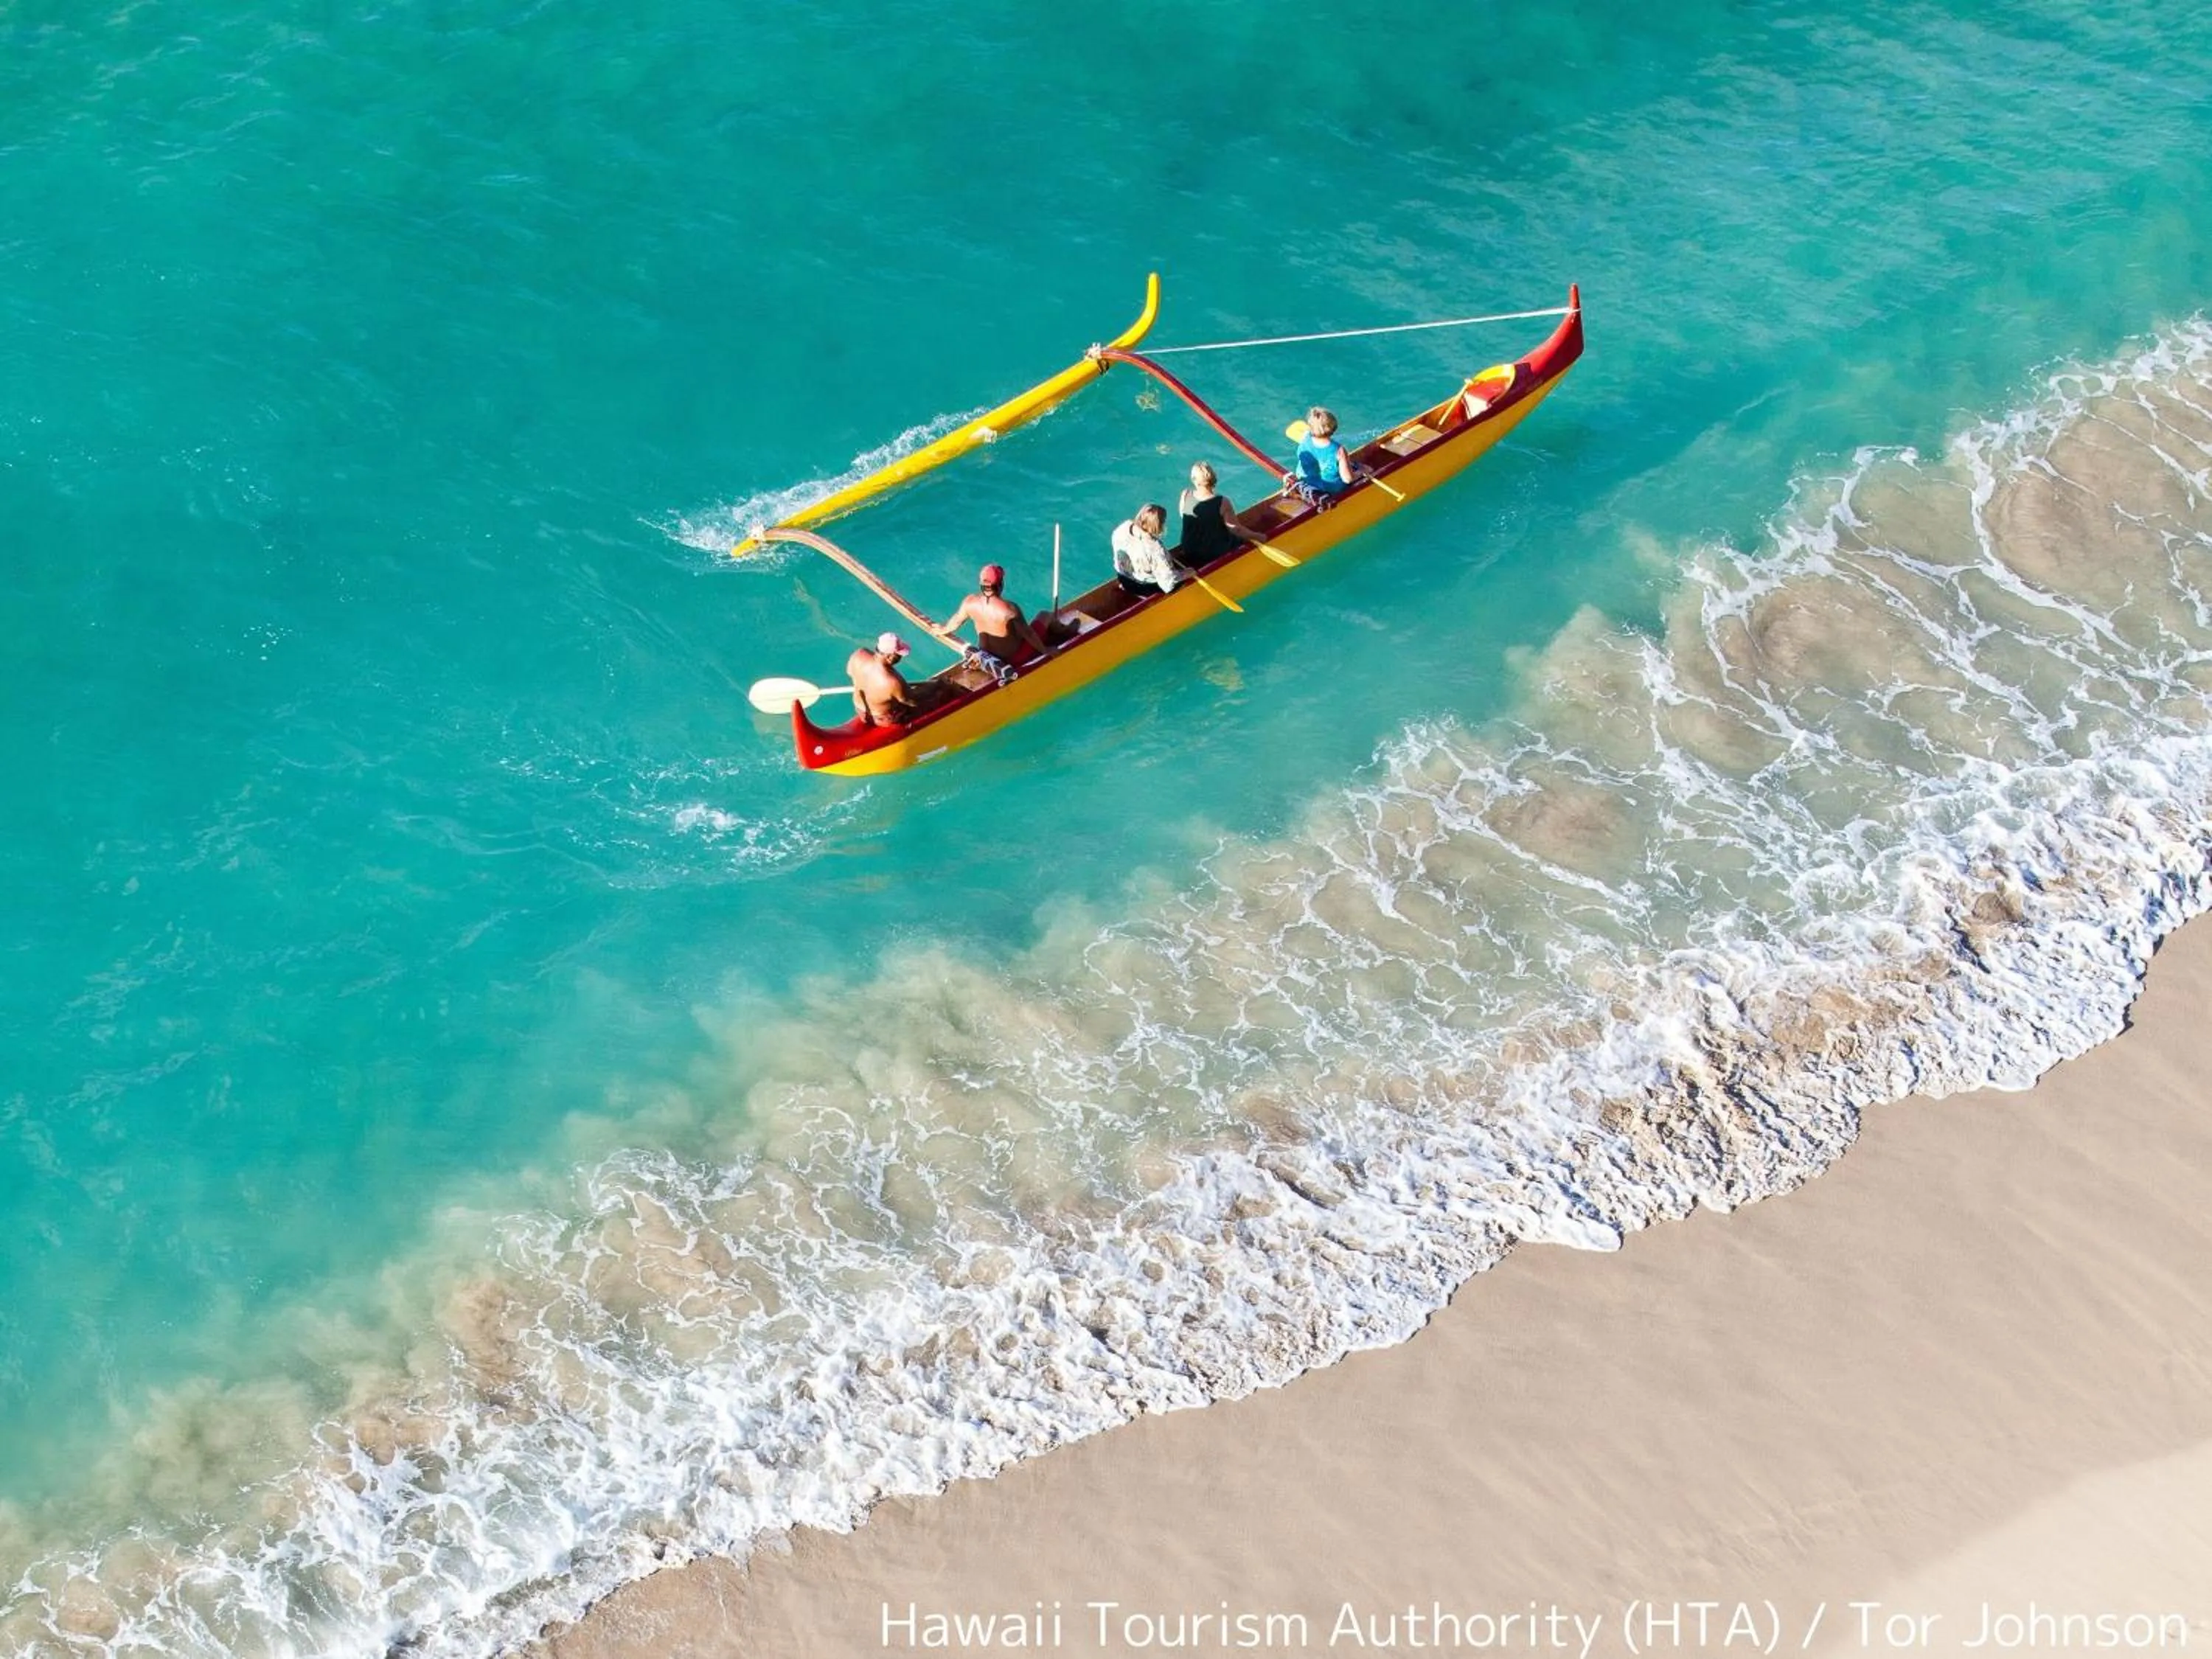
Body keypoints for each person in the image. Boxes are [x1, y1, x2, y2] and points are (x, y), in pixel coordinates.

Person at [942, 563, 1048, 665]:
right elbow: (1029, 634)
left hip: (987, 656)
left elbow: (956, 621)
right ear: (1001, 585)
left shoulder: (969, 603)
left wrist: (942, 630)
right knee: (1045, 615)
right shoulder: (1009, 609)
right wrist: (1046, 652)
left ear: (981, 584)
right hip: (1012, 659)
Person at [1175, 462, 1264, 566]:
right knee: (1238, 539)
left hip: (1189, 551)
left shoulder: (1185, 494)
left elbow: (1183, 515)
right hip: (1211, 555)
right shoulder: (1222, 502)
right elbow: (1236, 530)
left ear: (1194, 479)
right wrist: (1258, 536)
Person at [1110, 504, 1183, 597]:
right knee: (1178, 581)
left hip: (1124, 579)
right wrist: (1187, 573)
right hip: (1145, 588)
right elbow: (1168, 585)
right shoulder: (1155, 548)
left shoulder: (1123, 528)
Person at [1290, 406, 1357, 505]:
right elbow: (1348, 479)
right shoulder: (1339, 450)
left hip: (1306, 481)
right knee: (1362, 469)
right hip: (1329, 489)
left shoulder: (1305, 437)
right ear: (1333, 427)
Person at [846, 632, 916, 726]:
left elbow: (850, 672)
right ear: (890, 657)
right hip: (883, 719)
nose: (901, 657)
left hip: (860, 710)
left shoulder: (859, 655)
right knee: (930, 695)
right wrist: (932, 687)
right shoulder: (893, 682)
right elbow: (912, 701)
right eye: (899, 655)